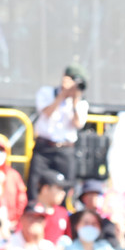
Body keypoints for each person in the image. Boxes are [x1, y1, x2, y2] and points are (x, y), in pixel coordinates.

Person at [29, 65, 88, 199]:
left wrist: (74, 100)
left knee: (64, 189)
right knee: (35, 185)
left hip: (65, 150)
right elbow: (47, 112)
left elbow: (78, 124)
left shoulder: (81, 103)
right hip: (44, 147)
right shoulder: (46, 92)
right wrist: (62, 94)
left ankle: (60, 217)